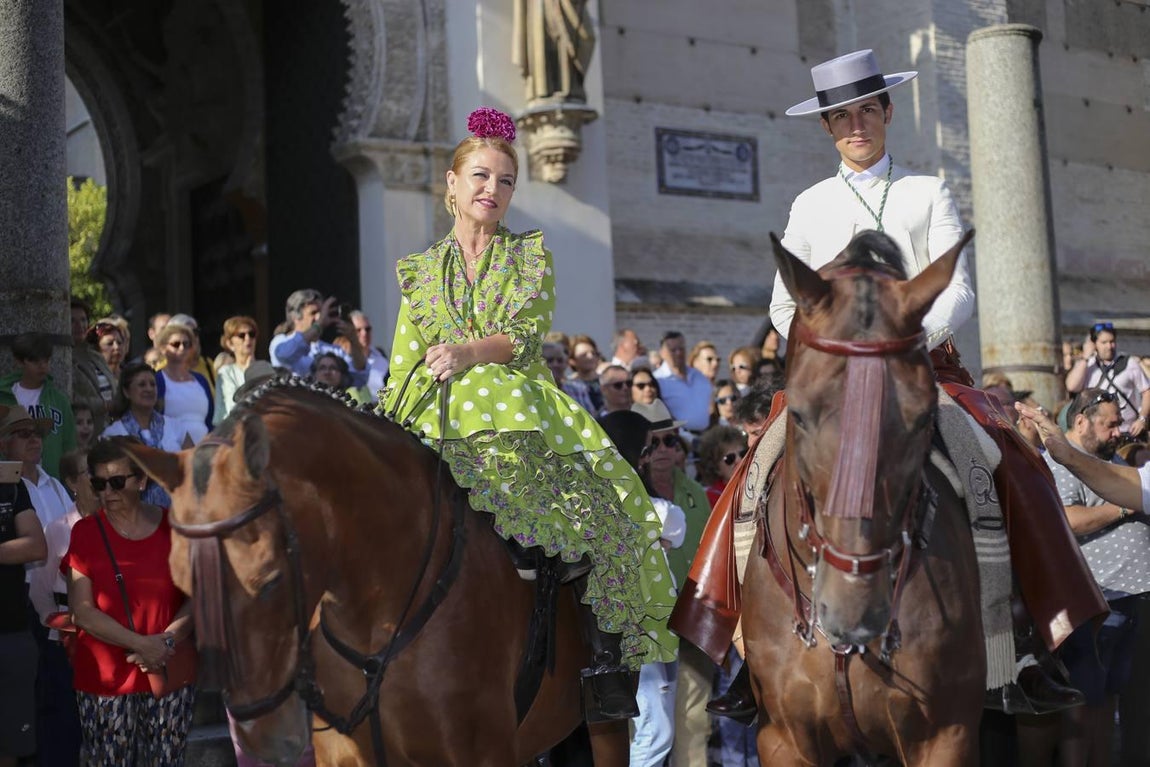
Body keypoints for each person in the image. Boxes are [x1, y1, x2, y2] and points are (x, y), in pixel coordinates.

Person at [703, 48, 1095, 721]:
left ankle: (1024, 648)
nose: (856, 123)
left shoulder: (927, 191)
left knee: (1002, 458)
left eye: (866, 109)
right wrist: (833, 350)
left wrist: (901, 344)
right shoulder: (809, 205)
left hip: (920, 370)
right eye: (841, 115)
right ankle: (742, 650)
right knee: (754, 472)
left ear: (887, 110)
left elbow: (959, 288)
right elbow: (780, 305)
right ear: (828, 127)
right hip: (828, 379)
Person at [380, 107, 676, 721]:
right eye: (481, 177)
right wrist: (393, 421)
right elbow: (405, 358)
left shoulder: (528, 257)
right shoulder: (418, 272)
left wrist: (466, 352)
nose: (493, 190)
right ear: (453, 185)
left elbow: (523, 334)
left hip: (517, 402)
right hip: (434, 412)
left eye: (506, 181)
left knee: (607, 521)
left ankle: (603, 665)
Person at [61, 437, 196, 766]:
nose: (107, 493)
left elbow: (197, 599)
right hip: (106, 679)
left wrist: (165, 641)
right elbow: (83, 611)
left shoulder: (174, 528)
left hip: (169, 670)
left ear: (143, 479)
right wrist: (143, 645)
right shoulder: (85, 532)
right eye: (98, 484)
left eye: (117, 482)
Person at [599, 409, 686, 766]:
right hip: (647, 629)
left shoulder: (593, 503)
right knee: (657, 729)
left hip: (610, 627)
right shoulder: (660, 511)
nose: (652, 455)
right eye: (648, 448)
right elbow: (674, 528)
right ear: (635, 454)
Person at [29, 450, 96, 767]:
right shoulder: (59, 529)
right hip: (65, 644)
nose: (97, 481)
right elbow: (41, 591)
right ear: (71, 482)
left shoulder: (119, 526)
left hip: (113, 642)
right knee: (64, 729)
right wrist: (56, 626)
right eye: (88, 473)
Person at [0, 405, 48, 767]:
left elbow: (35, 546)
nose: (33, 440)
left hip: (12, 630)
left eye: (36, 433)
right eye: (22, 433)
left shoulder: (11, 488)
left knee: (11, 748)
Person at [102, 362, 190, 507]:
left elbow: (191, 467)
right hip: (131, 514)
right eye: (142, 385)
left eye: (152, 384)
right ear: (126, 392)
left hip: (176, 513)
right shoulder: (113, 434)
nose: (149, 389)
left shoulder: (176, 426)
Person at [0, 332, 76, 479]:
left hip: (51, 482)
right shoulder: (3, 398)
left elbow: (69, 446)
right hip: (8, 483)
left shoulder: (59, 401)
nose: (42, 366)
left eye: (46, 360)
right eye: (35, 361)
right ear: (19, 362)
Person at [1065, 322, 1150, 438]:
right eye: (1104, 342)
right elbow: (1072, 386)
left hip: (1127, 431)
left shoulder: (1129, 363)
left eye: (1112, 341)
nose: (1109, 346)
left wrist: (1142, 418)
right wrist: (1085, 357)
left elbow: (1147, 392)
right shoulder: (1087, 365)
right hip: (1097, 435)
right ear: (1094, 344)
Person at [269, 290, 369, 388]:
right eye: (313, 313)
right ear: (295, 317)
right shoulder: (281, 341)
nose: (319, 317)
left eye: (321, 313)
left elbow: (360, 377)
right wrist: (319, 325)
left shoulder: (331, 350)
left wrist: (353, 340)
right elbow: (285, 355)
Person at [154, 323, 214, 446]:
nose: (182, 348)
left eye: (186, 344)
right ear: (163, 348)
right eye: (176, 344)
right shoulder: (157, 379)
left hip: (203, 451)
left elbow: (210, 420)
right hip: (170, 452)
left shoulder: (201, 380)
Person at [71, 300, 116, 437]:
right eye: (72, 320)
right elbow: (69, 397)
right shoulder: (63, 359)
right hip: (84, 434)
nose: (80, 325)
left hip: (109, 430)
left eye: (83, 319)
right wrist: (104, 405)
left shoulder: (96, 356)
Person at [653, 332, 712, 434]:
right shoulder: (658, 380)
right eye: (673, 350)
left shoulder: (698, 376)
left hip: (706, 435)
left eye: (681, 349)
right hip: (678, 438)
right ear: (662, 353)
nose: (678, 353)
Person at [214, 316, 261, 424]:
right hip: (233, 430)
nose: (248, 339)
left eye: (251, 334)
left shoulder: (267, 369)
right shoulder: (225, 373)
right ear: (230, 344)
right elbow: (233, 407)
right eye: (241, 336)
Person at [349, 310, 390, 398]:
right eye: (358, 330)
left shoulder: (381, 358)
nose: (364, 333)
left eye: (367, 329)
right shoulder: (343, 358)